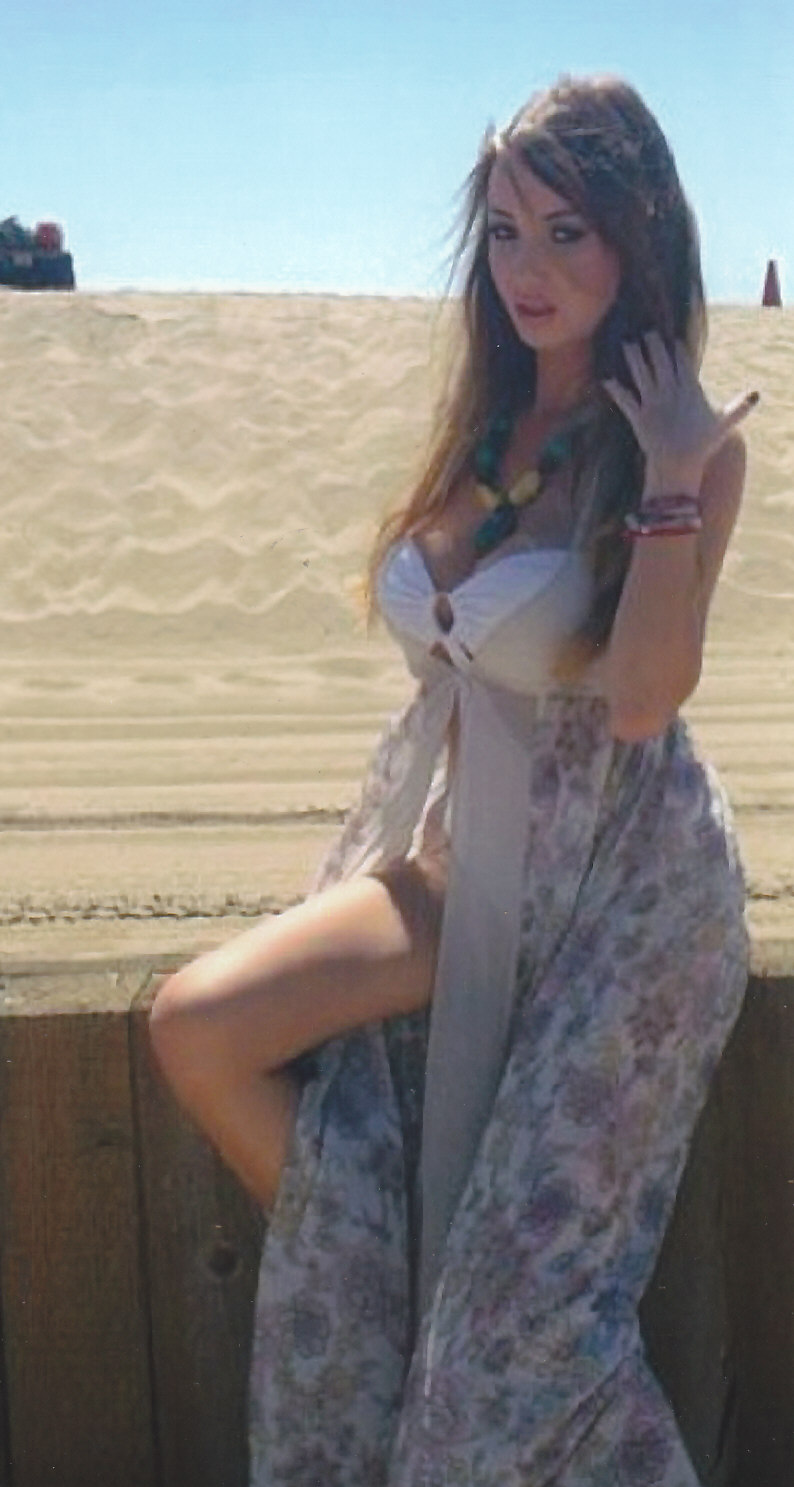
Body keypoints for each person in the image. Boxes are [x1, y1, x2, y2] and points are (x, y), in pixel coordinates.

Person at [148, 73, 758, 1486]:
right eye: (504, 232)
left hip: (621, 904)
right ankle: (388, 1293)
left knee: (517, 1347)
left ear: (638, 237)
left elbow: (643, 701)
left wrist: (671, 482)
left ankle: (478, 1357)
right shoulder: (490, 423)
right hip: (455, 864)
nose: (527, 268)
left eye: (566, 231)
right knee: (200, 1028)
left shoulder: (682, 447)